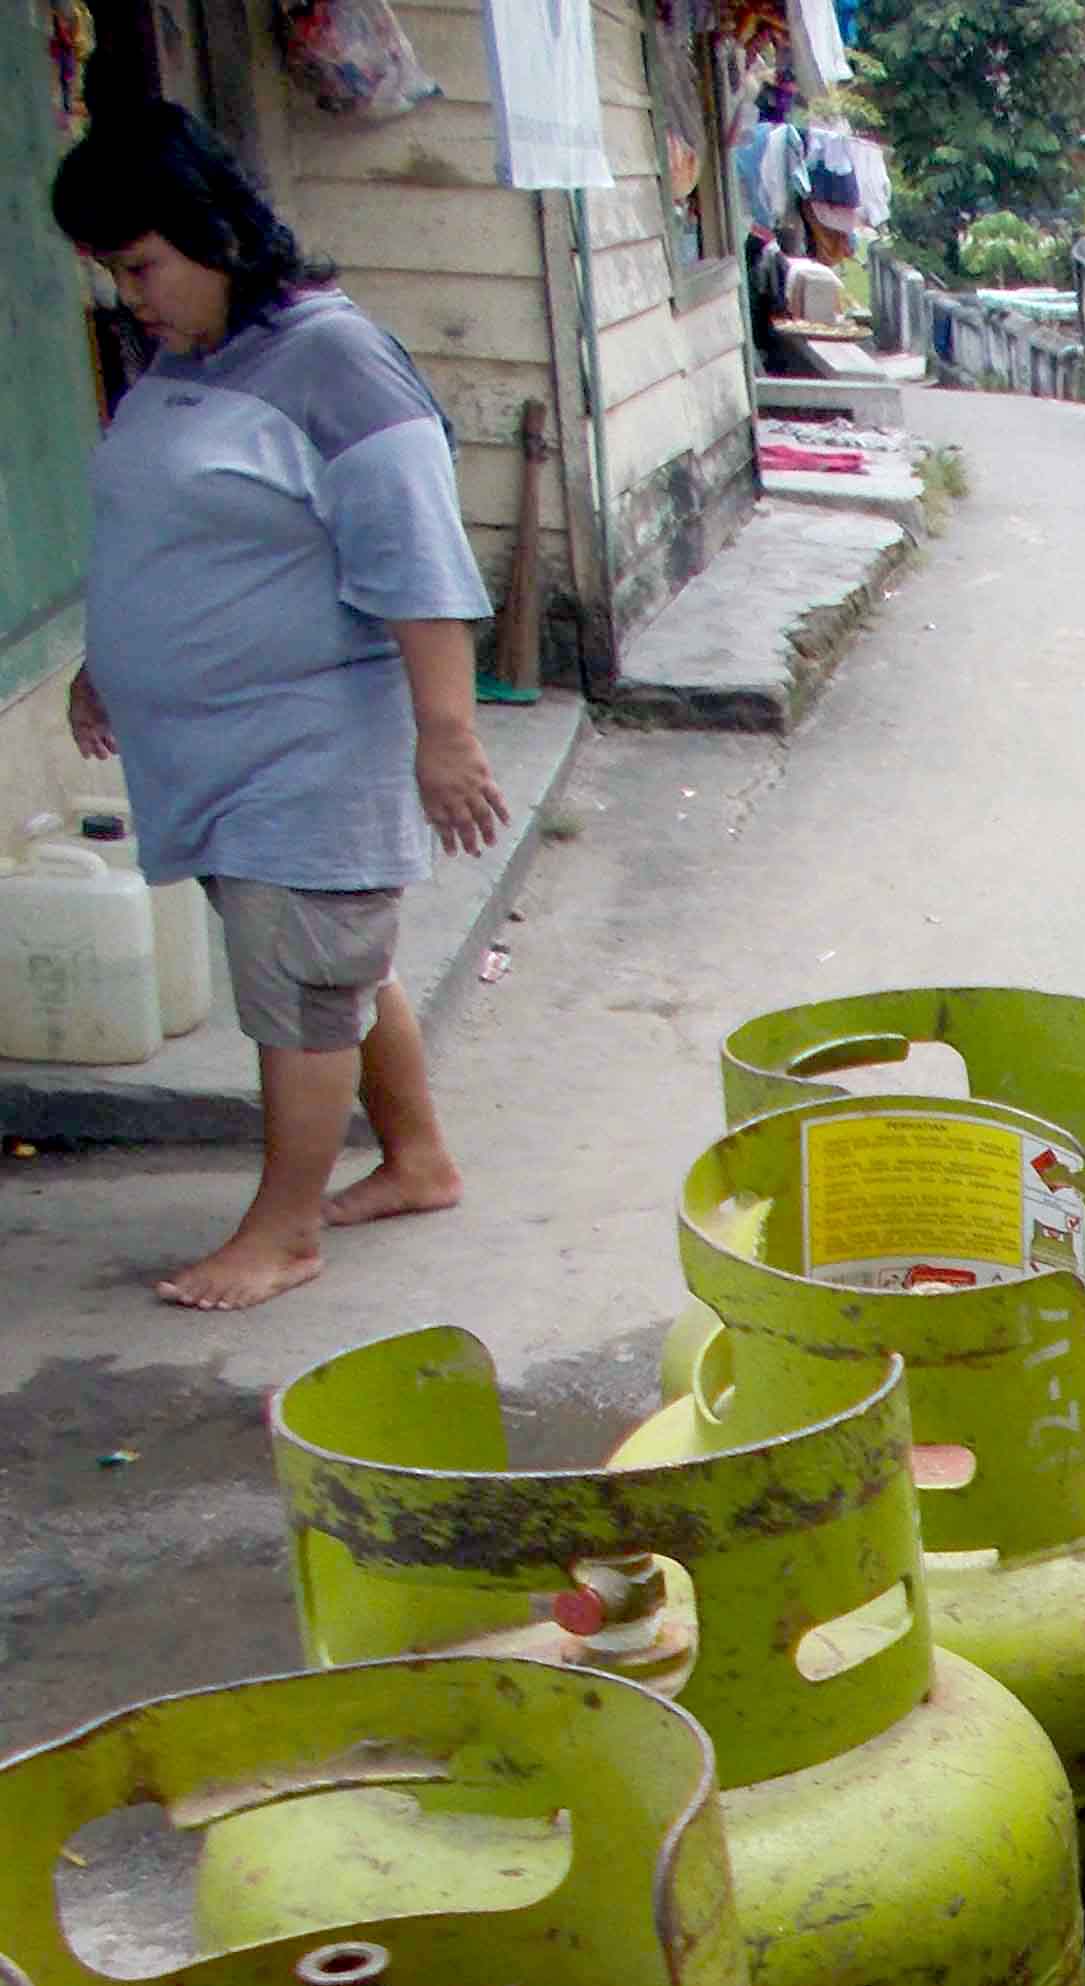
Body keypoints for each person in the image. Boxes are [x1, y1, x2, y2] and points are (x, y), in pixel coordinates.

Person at [54, 103, 505, 1312]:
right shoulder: (187, 356)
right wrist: (113, 658)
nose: (131, 295)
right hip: (220, 749)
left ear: (214, 231)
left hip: (311, 745)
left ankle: (286, 1229)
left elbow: (419, 561)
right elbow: (161, 525)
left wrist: (447, 738)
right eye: (112, 272)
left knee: (304, 983)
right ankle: (416, 1162)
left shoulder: (334, 361)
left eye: (143, 265)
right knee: (324, 962)